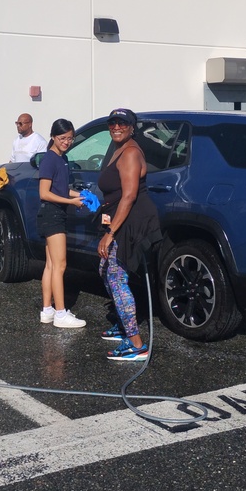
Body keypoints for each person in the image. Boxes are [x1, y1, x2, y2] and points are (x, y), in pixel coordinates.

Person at [97, 108, 162, 360]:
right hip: (119, 219)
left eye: (122, 123)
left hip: (132, 222)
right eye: (112, 122)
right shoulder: (119, 149)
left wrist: (110, 233)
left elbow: (129, 195)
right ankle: (124, 324)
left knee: (115, 277)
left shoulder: (131, 153)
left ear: (132, 127)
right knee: (104, 268)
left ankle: (136, 344)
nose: (116, 127)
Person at [37, 118, 87, 329]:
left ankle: (47, 310)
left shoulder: (62, 158)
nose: (67, 142)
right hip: (52, 215)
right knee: (60, 265)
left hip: (54, 213)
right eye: (62, 138)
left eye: (70, 138)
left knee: (50, 265)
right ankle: (60, 313)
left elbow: (61, 189)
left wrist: (81, 196)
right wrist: (71, 202)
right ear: (53, 137)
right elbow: (44, 193)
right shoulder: (49, 159)